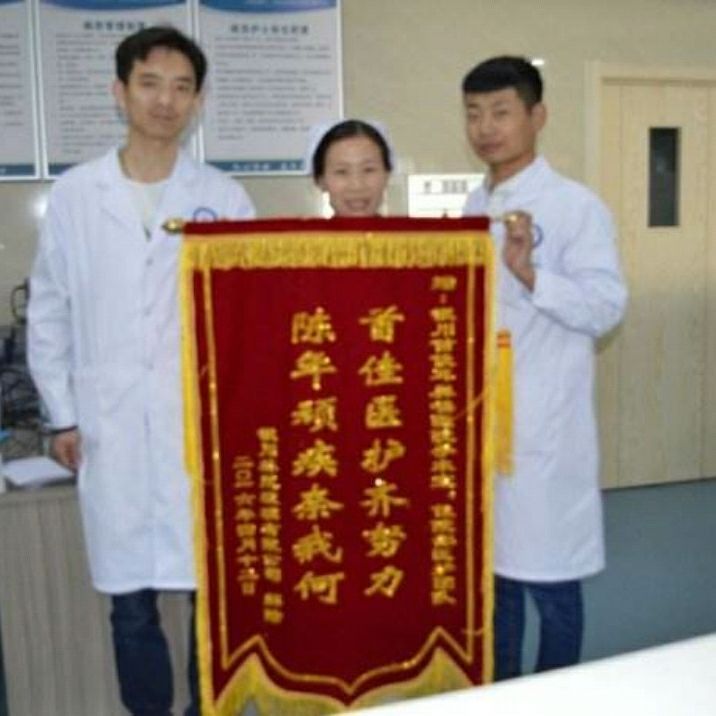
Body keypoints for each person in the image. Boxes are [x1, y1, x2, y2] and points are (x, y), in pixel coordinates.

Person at [28, 26, 255, 715]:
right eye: (150, 84)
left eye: (182, 88)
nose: (165, 101)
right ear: (119, 91)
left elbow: (251, 317)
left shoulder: (223, 196)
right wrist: (62, 416)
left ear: (198, 101)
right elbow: (50, 309)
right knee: (130, 606)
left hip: (200, 432)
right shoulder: (77, 195)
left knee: (210, 601)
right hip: (112, 430)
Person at [460, 56, 627, 680]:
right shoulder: (475, 203)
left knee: (552, 585)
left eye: (501, 112)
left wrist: (531, 274)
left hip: (545, 430)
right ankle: (503, 693)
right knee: (495, 581)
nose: (486, 128)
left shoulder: (576, 207)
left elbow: (606, 308)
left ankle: (560, 694)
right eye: (474, 114)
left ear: (538, 116)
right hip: (483, 425)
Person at [310, 119, 392, 217]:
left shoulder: (407, 227)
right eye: (342, 172)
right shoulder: (301, 228)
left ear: (386, 176)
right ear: (321, 180)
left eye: (368, 170)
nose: (356, 186)